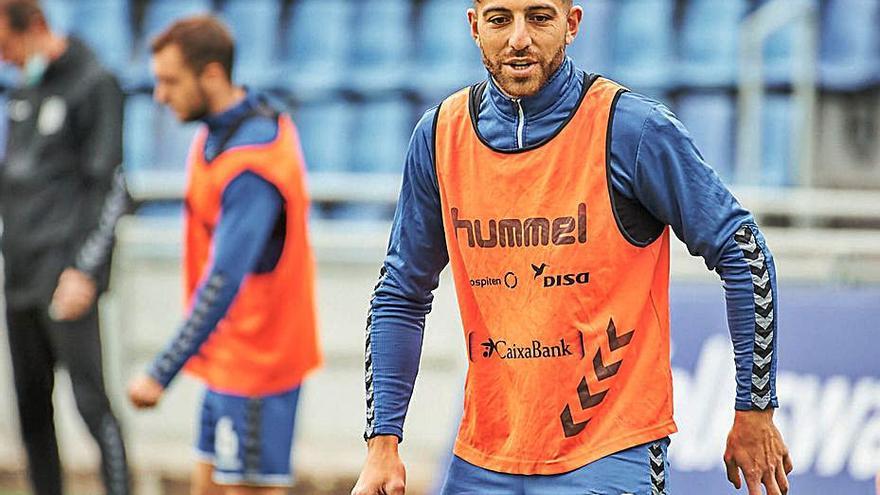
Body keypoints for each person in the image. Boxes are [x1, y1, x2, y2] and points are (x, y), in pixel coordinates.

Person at [352, 1, 792, 495]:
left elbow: (743, 250)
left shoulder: (631, 129)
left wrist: (755, 408)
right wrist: (382, 444)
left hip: (608, 454)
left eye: (539, 17)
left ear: (572, 24)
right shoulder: (439, 135)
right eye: (500, 19)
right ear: (475, 27)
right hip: (483, 457)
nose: (519, 38)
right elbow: (399, 294)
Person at [126, 15, 320, 495]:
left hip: (259, 365)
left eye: (171, 81)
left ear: (211, 75)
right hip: (227, 357)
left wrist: (160, 370)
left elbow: (224, 279)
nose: (160, 95)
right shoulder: (221, 132)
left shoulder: (252, 165)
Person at [0, 0, 131, 494]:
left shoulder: (94, 82)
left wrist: (85, 271)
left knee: (92, 405)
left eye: (7, 46)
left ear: (34, 26)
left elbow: (111, 187)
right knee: (31, 410)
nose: (5, 58)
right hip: (20, 275)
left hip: (65, 277)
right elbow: (19, 180)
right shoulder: (24, 90)